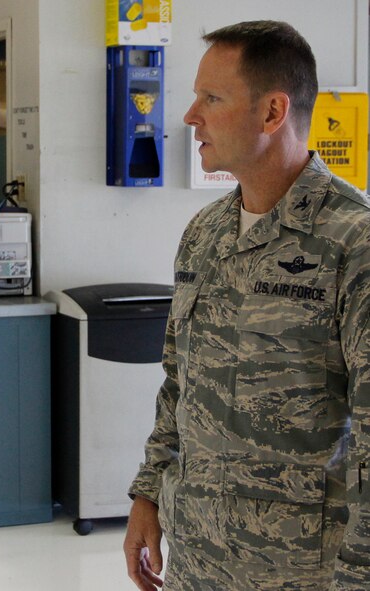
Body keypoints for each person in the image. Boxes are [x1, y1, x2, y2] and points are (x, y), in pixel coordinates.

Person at [123, 21, 370, 591]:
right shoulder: (205, 234)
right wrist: (147, 495)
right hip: (197, 561)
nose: (190, 116)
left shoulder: (351, 243)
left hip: (303, 572)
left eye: (212, 98)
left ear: (272, 112)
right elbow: (178, 383)